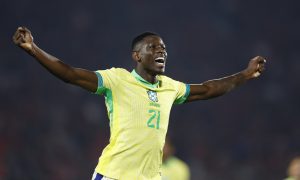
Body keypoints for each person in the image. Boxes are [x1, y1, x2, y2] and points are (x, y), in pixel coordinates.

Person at [13, 27, 266, 180]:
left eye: (164, 48)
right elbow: (70, 74)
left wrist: (245, 74)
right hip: (114, 175)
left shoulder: (170, 87)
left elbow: (209, 89)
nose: (161, 51)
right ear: (137, 56)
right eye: (153, 47)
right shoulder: (118, 80)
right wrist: (33, 48)